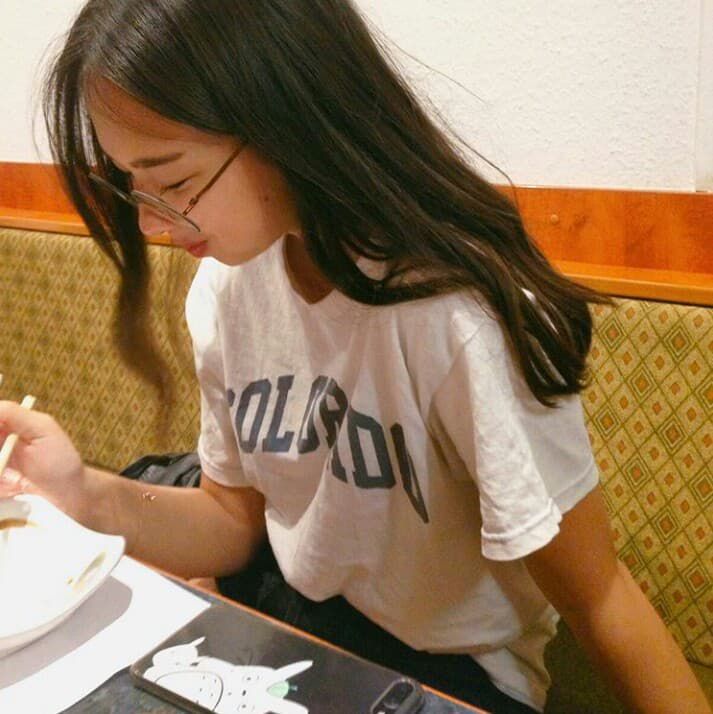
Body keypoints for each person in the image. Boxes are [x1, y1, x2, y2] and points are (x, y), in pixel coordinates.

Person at [0, 1, 709, 712]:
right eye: (131, 183)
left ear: (288, 122)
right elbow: (231, 523)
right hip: (292, 626)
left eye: (176, 183)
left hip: (448, 677)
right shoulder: (228, 285)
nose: (150, 220)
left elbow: (599, 597)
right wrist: (81, 493)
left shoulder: (457, 319)